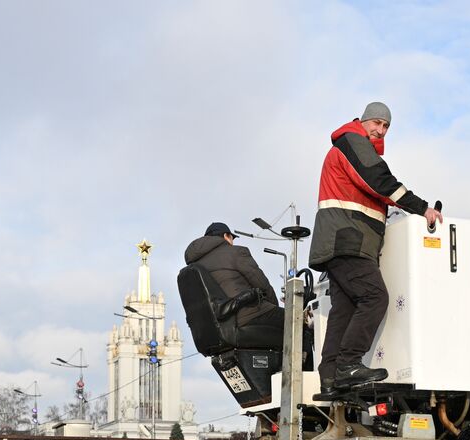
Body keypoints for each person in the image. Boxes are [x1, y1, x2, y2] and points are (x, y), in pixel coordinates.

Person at [309, 101, 441, 394]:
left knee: (343, 311)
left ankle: (330, 378)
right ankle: (348, 365)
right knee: (375, 297)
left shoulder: (348, 145)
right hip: (348, 240)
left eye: (386, 127)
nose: (380, 131)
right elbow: (380, 181)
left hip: (340, 241)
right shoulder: (352, 142)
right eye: (376, 123)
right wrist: (422, 208)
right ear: (363, 121)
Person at [183, 222, 288, 350]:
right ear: (226, 236)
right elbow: (262, 285)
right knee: (298, 324)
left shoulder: (194, 266)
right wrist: (273, 308)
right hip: (247, 316)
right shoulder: (237, 252)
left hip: (216, 330)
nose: (232, 242)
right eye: (232, 238)